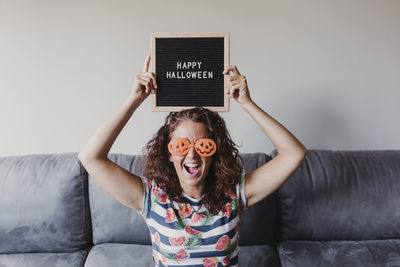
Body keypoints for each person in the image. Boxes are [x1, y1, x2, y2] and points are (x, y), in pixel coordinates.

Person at [78, 51, 307, 267]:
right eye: (181, 146)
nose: (192, 155)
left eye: (202, 146)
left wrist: (247, 102)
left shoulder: (235, 193)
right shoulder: (151, 198)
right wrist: (133, 101)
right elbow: (90, 158)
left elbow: (294, 153)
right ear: (169, 152)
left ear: (214, 151)